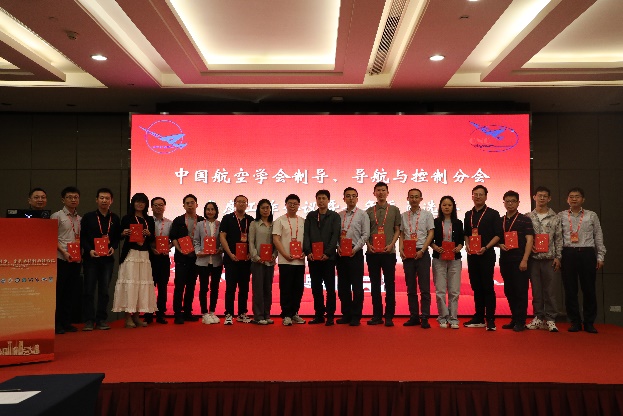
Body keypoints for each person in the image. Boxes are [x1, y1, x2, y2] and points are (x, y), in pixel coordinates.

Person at [559, 187, 606, 334]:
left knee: (589, 289)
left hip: (587, 253)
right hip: (568, 254)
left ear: (583, 199)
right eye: (571, 196)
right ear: (567, 199)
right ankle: (575, 322)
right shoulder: (561, 216)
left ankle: (589, 322)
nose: (574, 199)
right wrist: (558, 256)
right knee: (570, 290)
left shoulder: (591, 215)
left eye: (577, 196)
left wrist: (600, 256)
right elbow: (557, 237)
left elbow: (598, 235)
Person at [112, 193, 157, 328]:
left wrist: (149, 234)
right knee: (130, 285)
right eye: (137, 201)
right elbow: (119, 235)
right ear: (133, 203)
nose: (140, 204)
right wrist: (123, 233)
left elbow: (152, 239)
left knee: (140, 286)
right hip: (131, 254)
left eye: (142, 202)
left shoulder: (149, 219)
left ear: (146, 204)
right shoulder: (127, 218)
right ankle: (127, 317)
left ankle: (137, 316)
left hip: (144, 255)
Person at [80, 187, 120, 331]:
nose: (104, 200)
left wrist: (113, 247)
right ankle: (89, 320)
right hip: (91, 258)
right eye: (101, 198)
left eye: (107, 198)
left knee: (104, 291)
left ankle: (101, 319)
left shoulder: (115, 218)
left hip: (107, 260)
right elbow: (82, 237)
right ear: (96, 200)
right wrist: (89, 250)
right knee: (89, 290)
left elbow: (116, 238)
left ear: (111, 201)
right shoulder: (88, 217)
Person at [463, 185, 500, 331]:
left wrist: (486, 247)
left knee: (487, 286)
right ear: (472, 196)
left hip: (487, 255)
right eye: (475, 194)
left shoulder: (493, 214)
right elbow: (466, 234)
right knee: (476, 286)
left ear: (486, 196)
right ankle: (479, 317)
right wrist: (467, 245)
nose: (478, 197)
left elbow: (498, 235)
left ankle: (490, 319)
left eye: (481, 194)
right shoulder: (468, 214)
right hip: (472, 256)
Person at [526, 186, 562, 333]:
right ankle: (538, 317)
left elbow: (558, 239)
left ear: (549, 198)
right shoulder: (528, 217)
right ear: (534, 197)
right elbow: (525, 238)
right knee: (536, 291)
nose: (542, 198)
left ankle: (551, 319)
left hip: (549, 259)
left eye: (544, 196)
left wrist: (558, 257)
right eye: (539, 195)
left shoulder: (555, 217)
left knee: (550, 291)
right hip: (534, 259)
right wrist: (530, 248)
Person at [496, 191, 534, 332]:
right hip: (505, 260)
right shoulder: (500, 220)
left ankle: (521, 321)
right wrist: (499, 245)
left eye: (513, 201)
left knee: (520, 291)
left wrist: (525, 259)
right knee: (509, 290)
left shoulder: (525, 220)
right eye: (507, 201)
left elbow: (530, 240)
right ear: (504, 203)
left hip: (520, 260)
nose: (510, 204)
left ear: (518, 203)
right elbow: (496, 239)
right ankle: (514, 318)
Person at [365, 182, 401, 327]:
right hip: (372, 253)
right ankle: (377, 315)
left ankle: (389, 316)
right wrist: (369, 245)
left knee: (389, 285)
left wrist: (391, 245)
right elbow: (365, 232)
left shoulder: (394, 210)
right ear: (374, 193)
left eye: (383, 190)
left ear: (387, 192)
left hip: (388, 252)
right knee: (374, 285)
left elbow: (397, 230)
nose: (381, 193)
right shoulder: (368, 211)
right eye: (378, 190)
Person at [304, 190, 341, 326]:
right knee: (316, 288)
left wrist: (328, 253)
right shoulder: (311, 216)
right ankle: (319, 314)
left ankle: (330, 315)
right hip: (313, 258)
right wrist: (308, 251)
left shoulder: (334, 216)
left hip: (328, 259)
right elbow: (306, 235)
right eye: (319, 198)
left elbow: (335, 236)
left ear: (328, 200)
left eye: (324, 198)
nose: (321, 201)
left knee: (330, 288)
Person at [399, 188, 434, 329]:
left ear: (421, 199)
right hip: (408, 254)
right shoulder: (403, 216)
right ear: (408, 198)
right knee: (411, 288)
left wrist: (423, 250)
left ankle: (425, 317)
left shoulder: (427, 215)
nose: (414, 199)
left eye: (416, 197)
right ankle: (414, 316)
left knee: (424, 287)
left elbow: (430, 233)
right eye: (411, 197)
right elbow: (402, 234)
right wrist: (400, 249)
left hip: (422, 252)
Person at [336, 187, 370, 326]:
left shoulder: (362, 214)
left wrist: (355, 249)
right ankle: (346, 314)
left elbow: (365, 234)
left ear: (357, 198)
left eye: (353, 196)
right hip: (341, 254)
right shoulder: (339, 215)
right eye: (348, 196)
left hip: (355, 253)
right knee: (343, 286)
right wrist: (337, 246)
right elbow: (335, 234)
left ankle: (356, 315)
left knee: (356, 286)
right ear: (344, 198)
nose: (351, 198)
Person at [50, 186, 81, 334]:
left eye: (76, 197)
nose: (73, 200)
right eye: (69, 197)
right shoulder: (56, 216)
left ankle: (66, 322)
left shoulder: (80, 219)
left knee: (70, 292)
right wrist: (64, 252)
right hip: (61, 258)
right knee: (59, 292)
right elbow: (52, 238)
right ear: (63, 199)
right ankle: (56, 324)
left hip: (75, 259)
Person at [430, 196, 464, 329]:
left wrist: (459, 247)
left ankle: (453, 318)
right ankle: (442, 317)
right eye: (444, 205)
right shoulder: (435, 222)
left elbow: (462, 240)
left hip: (455, 259)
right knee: (440, 290)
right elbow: (430, 240)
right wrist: (435, 247)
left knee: (454, 290)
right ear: (440, 207)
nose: (447, 207)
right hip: (439, 258)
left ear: (453, 207)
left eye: (449, 205)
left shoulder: (458, 223)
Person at [169, 194, 204, 324]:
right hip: (181, 258)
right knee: (179, 286)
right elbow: (174, 238)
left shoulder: (201, 220)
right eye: (187, 203)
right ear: (183, 205)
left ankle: (188, 312)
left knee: (191, 286)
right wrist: (180, 250)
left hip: (196, 258)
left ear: (197, 205)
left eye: (192, 202)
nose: (190, 205)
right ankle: (178, 314)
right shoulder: (178, 220)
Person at [219, 195, 254, 325]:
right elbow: (222, 237)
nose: (241, 204)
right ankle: (228, 314)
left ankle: (242, 313)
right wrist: (229, 253)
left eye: (244, 202)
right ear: (234, 204)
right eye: (239, 202)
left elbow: (253, 239)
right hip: (231, 259)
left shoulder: (250, 220)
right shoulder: (227, 218)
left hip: (246, 260)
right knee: (231, 287)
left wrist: (251, 253)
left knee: (244, 288)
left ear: (247, 204)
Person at [272, 194, 306, 326]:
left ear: (298, 205)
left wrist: (305, 252)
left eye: (295, 204)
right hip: (285, 260)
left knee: (298, 288)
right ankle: (286, 314)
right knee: (286, 288)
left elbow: (307, 239)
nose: (292, 206)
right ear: (285, 205)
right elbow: (276, 239)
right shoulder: (279, 221)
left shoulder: (303, 221)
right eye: (290, 203)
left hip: (299, 261)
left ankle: (295, 313)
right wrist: (285, 254)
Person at [193, 201, 223, 325]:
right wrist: (198, 252)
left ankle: (212, 312)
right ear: (205, 211)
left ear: (216, 211)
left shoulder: (220, 224)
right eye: (208, 209)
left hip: (216, 260)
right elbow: (196, 241)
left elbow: (223, 241)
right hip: (202, 261)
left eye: (212, 209)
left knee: (215, 287)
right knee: (204, 287)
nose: (210, 212)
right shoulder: (200, 224)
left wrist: (220, 249)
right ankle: (204, 313)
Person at [248, 199, 277, 325]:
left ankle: (267, 314)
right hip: (258, 262)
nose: (265, 210)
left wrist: (274, 255)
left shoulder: (274, 224)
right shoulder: (254, 224)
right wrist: (256, 256)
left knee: (267, 289)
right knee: (258, 289)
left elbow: (276, 243)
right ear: (258, 210)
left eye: (267, 208)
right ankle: (258, 316)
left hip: (270, 262)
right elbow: (251, 242)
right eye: (263, 208)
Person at [145, 197, 172, 324]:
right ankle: (148, 314)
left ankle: (161, 314)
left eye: (161, 205)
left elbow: (173, 240)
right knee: (150, 286)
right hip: (150, 257)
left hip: (164, 258)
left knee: (162, 286)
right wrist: (151, 249)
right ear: (151, 207)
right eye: (155, 205)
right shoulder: (147, 222)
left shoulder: (170, 223)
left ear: (165, 207)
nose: (158, 207)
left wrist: (168, 247)